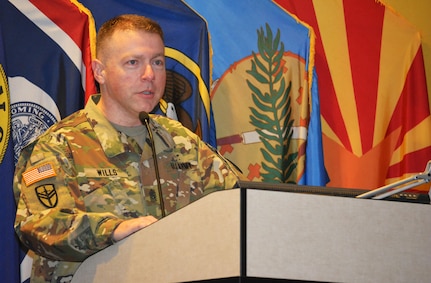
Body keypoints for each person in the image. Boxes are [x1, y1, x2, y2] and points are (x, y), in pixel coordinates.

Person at [13, 14, 243, 283]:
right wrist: (114, 230)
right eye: (133, 63)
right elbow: (38, 225)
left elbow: (235, 205)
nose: (150, 75)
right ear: (100, 71)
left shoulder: (182, 141)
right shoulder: (58, 146)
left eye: (157, 62)